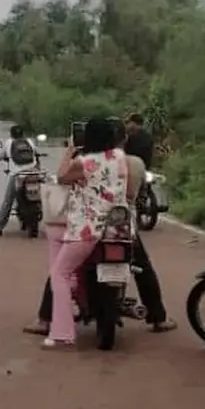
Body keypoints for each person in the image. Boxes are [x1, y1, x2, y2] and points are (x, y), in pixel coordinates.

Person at [42, 116, 138, 349]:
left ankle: (62, 332)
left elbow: (62, 176)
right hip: (118, 228)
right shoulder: (119, 157)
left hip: (87, 229)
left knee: (60, 273)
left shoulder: (84, 162)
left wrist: (70, 149)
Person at [0, 125, 39, 236]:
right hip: (33, 173)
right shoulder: (29, 141)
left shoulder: (8, 143)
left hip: (17, 174)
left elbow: (2, 155)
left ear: (11, 134)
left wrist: (0, 157)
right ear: (23, 133)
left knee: (8, 200)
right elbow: (36, 153)